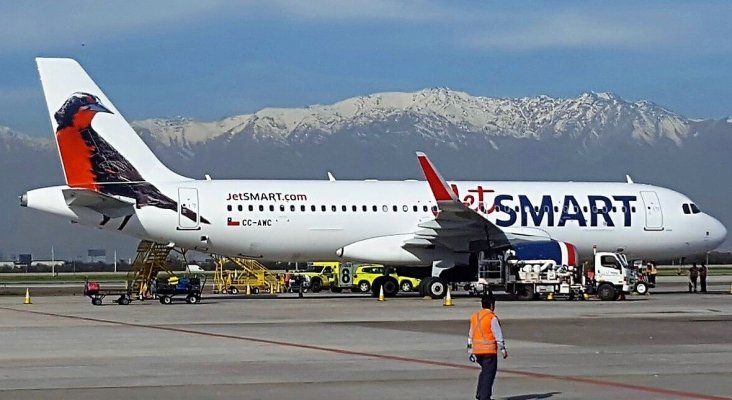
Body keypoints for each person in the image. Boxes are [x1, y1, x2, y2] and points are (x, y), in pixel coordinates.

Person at [468, 292, 508, 400]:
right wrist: (502, 349)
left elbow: (470, 334)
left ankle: (480, 393)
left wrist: (470, 349)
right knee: (489, 374)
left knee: (485, 372)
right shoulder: (492, 317)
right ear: (491, 305)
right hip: (489, 351)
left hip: (477, 351)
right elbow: (497, 334)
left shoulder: (475, 316)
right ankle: (484, 397)